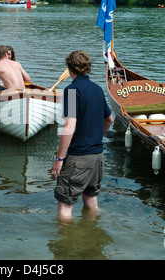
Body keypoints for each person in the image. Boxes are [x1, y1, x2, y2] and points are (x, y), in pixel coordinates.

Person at [51, 50, 114, 220]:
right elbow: (109, 119)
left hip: (79, 158)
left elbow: (70, 125)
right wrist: (94, 137)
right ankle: (91, 239)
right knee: (91, 201)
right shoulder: (97, 89)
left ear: (69, 68)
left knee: (65, 207)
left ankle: (66, 245)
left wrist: (59, 159)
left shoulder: (71, 91)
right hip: (98, 158)